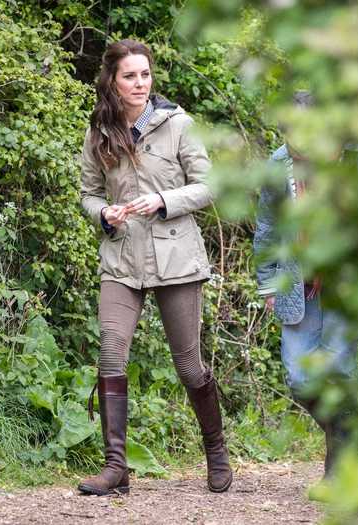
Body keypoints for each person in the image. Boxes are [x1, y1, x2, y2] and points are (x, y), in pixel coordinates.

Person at [77, 39, 232, 496]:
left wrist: (164, 200)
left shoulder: (179, 125)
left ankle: (217, 453)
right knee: (110, 350)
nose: (139, 84)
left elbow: (209, 185)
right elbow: (88, 193)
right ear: (112, 81)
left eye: (144, 75)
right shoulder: (99, 132)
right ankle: (115, 468)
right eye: (129, 76)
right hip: (122, 258)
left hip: (176, 258)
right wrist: (102, 214)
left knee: (188, 364)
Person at [254, 90, 358, 477]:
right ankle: (346, 434)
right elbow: (267, 229)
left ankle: (337, 467)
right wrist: (270, 283)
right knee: (299, 377)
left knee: (339, 368)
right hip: (298, 283)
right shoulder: (278, 164)